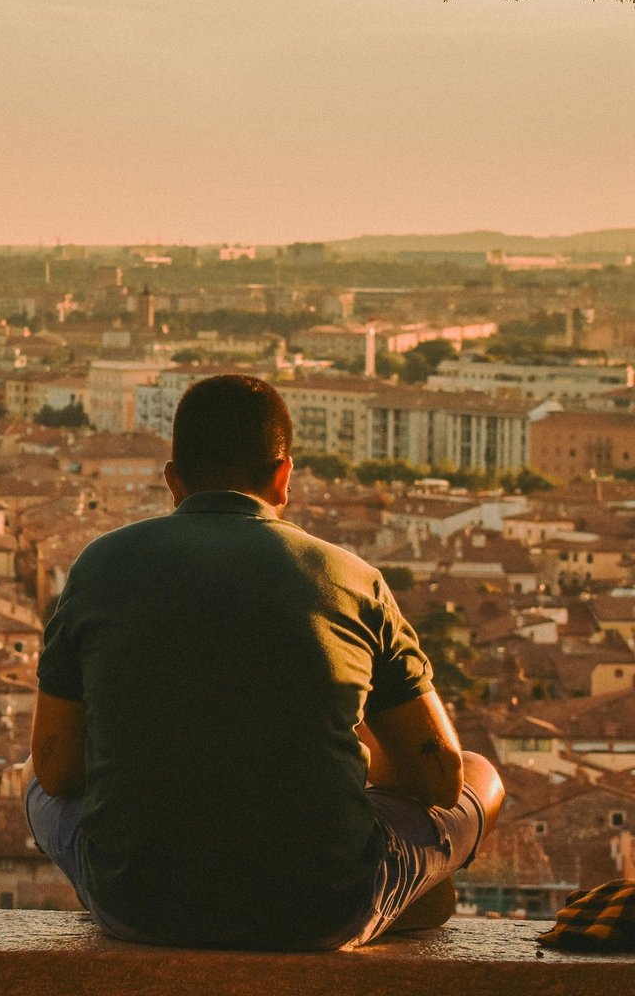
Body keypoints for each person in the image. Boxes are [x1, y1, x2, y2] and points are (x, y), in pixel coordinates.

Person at [26, 374, 504, 951]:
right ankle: (396, 892)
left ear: (173, 481)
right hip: (325, 909)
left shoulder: (99, 567)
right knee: (482, 775)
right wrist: (345, 772)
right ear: (283, 476)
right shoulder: (353, 580)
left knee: (31, 779)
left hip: (138, 904)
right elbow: (440, 775)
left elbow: (57, 769)